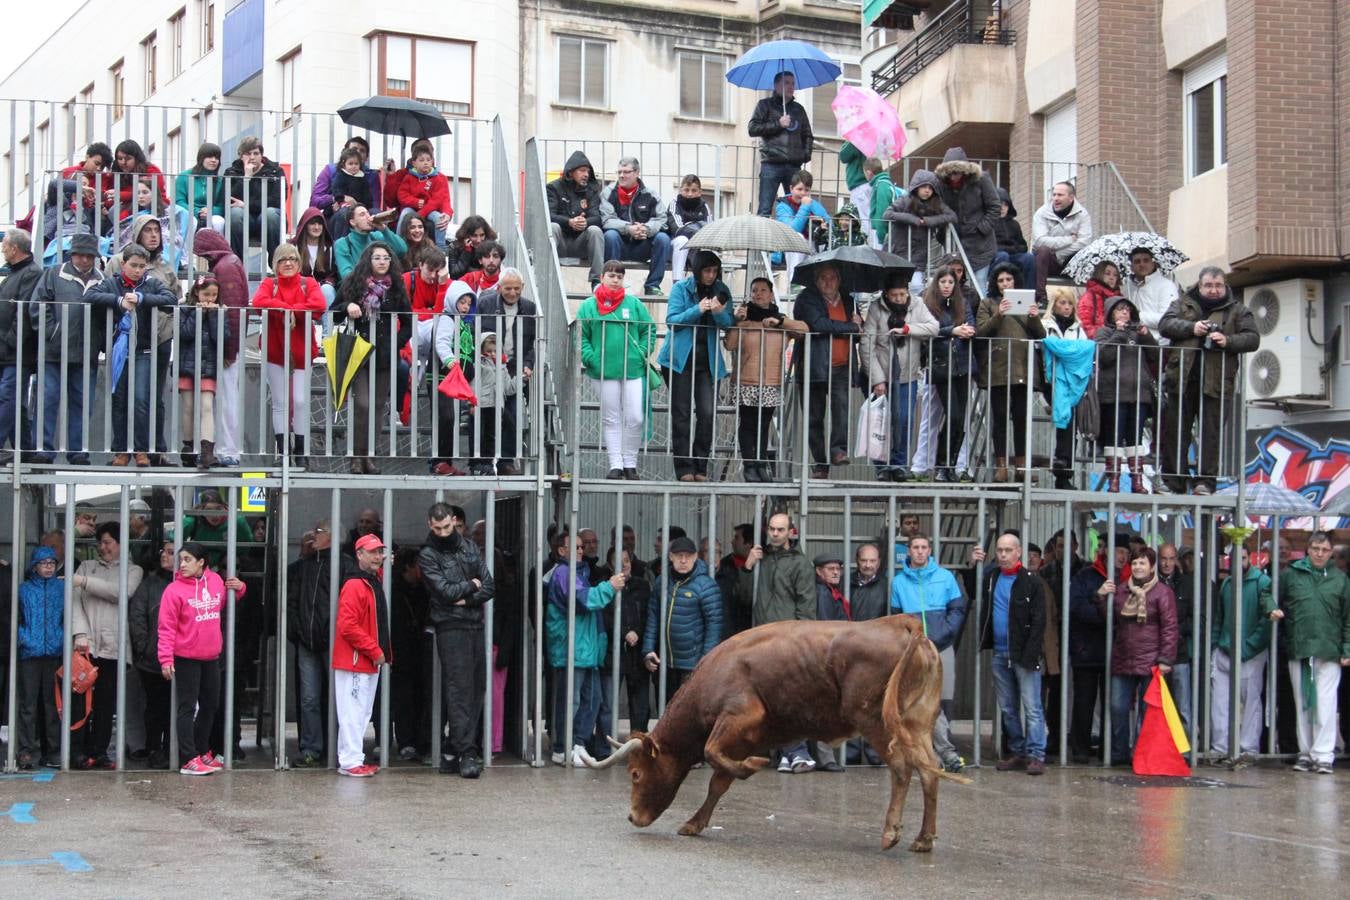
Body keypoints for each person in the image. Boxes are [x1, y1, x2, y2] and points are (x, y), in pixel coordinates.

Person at [1158, 267, 1260, 495]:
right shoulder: (1182, 303)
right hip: (1182, 379)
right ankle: (1173, 480)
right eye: (1209, 286)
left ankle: (1205, 482)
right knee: (1176, 431)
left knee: (1211, 434)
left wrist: (1227, 340)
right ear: (1200, 285)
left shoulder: (1238, 309)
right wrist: (1192, 328)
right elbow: (1165, 325)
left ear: (1225, 286)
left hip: (1217, 381)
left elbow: (1253, 339)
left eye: (1218, 286)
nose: (1214, 290)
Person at [419, 503, 494, 778]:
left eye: (446, 527)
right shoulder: (427, 555)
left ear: (453, 521)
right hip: (450, 626)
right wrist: (471, 586)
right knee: (460, 689)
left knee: (475, 688)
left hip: (473, 623)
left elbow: (489, 585)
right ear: (430, 525)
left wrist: (468, 596)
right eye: (437, 528)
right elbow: (445, 592)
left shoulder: (469, 547)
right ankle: (465, 752)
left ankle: (452, 750)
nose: (442, 532)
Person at [158, 541, 245, 775]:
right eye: (181, 560)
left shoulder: (215, 581)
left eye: (187, 560)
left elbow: (226, 601)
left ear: (201, 563)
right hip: (186, 656)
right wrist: (166, 659)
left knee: (210, 705)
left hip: (211, 656)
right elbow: (166, 628)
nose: (182, 564)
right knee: (187, 707)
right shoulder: (173, 591)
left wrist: (240, 588)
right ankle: (188, 758)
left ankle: (201, 750)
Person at [1265, 531, 1348, 774]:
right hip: (1299, 647)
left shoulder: (1340, 580)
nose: (1319, 554)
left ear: (1331, 552)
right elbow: (1268, 593)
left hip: (1329, 649)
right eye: (1315, 549)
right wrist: (1272, 608)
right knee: (1302, 703)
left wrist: (1346, 649)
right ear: (1308, 550)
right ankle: (1305, 752)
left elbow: (1348, 618)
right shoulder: (1291, 574)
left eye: (1324, 550)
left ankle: (1323, 754)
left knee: (1325, 702)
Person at [90, 243, 177, 467]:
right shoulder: (111, 283)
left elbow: (171, 299)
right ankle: (121, 450)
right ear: (123, 264)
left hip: (144, 349)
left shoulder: (151, 283)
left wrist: (142, 299)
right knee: (119, 399)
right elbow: (90, 296)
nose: (138, 270)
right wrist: (118, 301)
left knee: (140, 399)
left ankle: (141, 450)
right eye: (134, 265)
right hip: (119, 350)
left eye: (142, 266)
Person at [332, 242, 413, 474]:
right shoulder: (354, 283)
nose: (381, 262)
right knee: (362, 403)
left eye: (386, 258)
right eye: (377, 258)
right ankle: (356, 457)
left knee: (377, 406)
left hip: (385, 354)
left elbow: (408, 322)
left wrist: (394, 342)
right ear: (369, 259)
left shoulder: (396, 287)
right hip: (358, 350)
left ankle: (369, 456)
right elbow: (334, 310)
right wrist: (348, 306)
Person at [744, 512, 816, 772]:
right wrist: (749, 566)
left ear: (790, 532)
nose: (775, 534)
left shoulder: (800, 563)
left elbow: (806, 607)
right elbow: (742, 597)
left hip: (787, 643)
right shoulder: (761, 559)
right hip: (763, 640)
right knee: (770, 699)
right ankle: (787, 753)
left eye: (780, 530)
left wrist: (800, 643)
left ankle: (798, 752)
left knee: (789, 699)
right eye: (772, 529)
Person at [545, 531, 624, 766]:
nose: (581, 550)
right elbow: (582, 600)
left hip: (583, 649)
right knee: (573, 701)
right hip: (573, 648)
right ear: (561, 550)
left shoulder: (576, 572)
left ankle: (576, 745)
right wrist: (609, 587)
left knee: (591, 699)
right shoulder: (563, 573)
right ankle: (565, 746)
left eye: (581, 547)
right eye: (576, 546)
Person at [892, 532, 968, 773]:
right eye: (915, 547)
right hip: (914, 651)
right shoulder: (898, 582)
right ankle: (941, 752)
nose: (920, 551)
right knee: (919, 701)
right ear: (909, 551)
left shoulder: (945, 578)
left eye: (924, 547)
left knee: (942, 700)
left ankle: (939, 750)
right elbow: (897, 618)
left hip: (942, 647)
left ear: (930, 550)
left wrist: (942, 635)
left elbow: (957, 611)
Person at [71, 523, 144, 768]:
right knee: (81, 702)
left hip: (115, 647)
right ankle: (78, 752)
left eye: (108, 543)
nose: (103, 548)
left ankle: (99, 751)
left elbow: (121, 593)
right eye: (100, 543)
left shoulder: (133, 570)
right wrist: (80, 633)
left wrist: (84, 582)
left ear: (121, 544)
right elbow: (73, 603)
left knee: (105, 703)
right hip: (86, 646)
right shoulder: (87, 566)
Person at [658, 250, 734, 482]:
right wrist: (698, 309)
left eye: (714, 271)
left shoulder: (722, 291)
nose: (711, 276)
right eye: (707, 271)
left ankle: (701, 466)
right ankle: (684, 468)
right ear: (697, 270)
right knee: (681, 414)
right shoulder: (682, 288)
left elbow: (729, 323)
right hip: (679, 362)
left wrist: (720, 313)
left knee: (707, 413)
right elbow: (672, 321)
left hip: (707, 364)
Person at [28, 233, 102, 465]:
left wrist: (99, 341)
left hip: (86, 353)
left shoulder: (102, 279)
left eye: (89, 256)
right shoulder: (53, 273)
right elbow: (37, 305)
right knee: (47, 399)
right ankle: (43, 449)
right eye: (80, 255)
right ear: (72, 255)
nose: (84, 260)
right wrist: (52, 333)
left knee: (82, 403)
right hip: (52, 352)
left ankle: (78, 451)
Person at [1099, 547, 1177, 766]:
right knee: (1117, 707)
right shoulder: (1122, 590)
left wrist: (1165, 659)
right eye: (1134, 563)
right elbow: (1109, 620)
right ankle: (1119, 753)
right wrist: (1101, 597)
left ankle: (1143, 756)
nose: (1138, 567)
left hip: (1151, 661)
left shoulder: (1162, 592)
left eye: (1142, 563)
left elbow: (1170, 627)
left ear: (1151, 566)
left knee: (1148, 712)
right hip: (1123, 658)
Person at [578, 261, 655, 480]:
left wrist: (641, 352)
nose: (615, 280)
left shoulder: (634, 304)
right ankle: (616, 464)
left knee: (635, 417)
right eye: (611, 275)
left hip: (633, 368)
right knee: (612, 418)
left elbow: (647, 330)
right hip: (603, 370)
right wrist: (592, 358)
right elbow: (581, 336)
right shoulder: (588, 306)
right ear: (601, 277)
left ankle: (630, 462)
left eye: (619, 276)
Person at [725, 277, 806, 482]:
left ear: (771, 294)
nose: (758, 294)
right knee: (748, 423)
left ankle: (761, 464)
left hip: (771, 381)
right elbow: (729, 344)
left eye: (762, 290)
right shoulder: (745, 319)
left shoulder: (778, 319)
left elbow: (804, 330)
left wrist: (781, 322)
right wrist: (736, 322)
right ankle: (749, 465)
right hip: (746, 380)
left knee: (764, 423)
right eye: (754, 290)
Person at [252, 244, 326, 468]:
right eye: (283, 259)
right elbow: (258, 302)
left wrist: (290, 311)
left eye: (293, 259)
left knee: (301, 402)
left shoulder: (308, 283)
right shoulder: (269, 284)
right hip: (276, 351)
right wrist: (287, 308)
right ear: (275, 264)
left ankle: (301, 453)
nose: (288, 263)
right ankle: (284, 451)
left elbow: (320, 305)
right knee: (280, 403)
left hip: (302, 352)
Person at [980, 532, 1047, 775]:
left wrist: (1030, 656)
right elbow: (971, 585)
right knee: (1008, 708)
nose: (1003, 555)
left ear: (1019, 552)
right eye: (999, 550)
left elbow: (1040, 621)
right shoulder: (992, 577)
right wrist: (974, 563)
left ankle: (1036, 755)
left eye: (1008, 550)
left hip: (1023, 655)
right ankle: (1018, 752)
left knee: (1032, 707)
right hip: (999, 653)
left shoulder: (1031, 581)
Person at [860, 273, 939, 482]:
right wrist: (877, 379)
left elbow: (933, 327)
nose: (899, 299)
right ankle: (881, 466)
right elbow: (868, 344)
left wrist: (908, 329)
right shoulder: (877, 309)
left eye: (902, 294)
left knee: (904, 420)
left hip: (907, 374)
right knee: (880, 421)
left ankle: (899, 463)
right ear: (886, 294)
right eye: (894, 295)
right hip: (882, 373)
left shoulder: (918, 304)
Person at [976, 263, 1044, 482]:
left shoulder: (1026, 302)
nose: (1005, 284)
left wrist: (1034, 315)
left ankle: (1022, 466)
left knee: (1021, 419)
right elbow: (981, 330)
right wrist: (999, 313)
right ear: (995, 284)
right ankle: (1001, 466)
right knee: (1000, 419)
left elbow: (1040, 334)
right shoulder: (987, 303)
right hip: (998, 369)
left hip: (1023, 367)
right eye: (1001, 280)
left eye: (1009, 279)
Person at [794, 262, 862, 479]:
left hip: (841, 366)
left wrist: (859, 325)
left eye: (832, 277)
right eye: (823, 277)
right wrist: (851, 327)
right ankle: (820, 463)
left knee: (841, 411)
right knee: (814, 418)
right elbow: (819, 324)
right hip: (813, 366)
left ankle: (838, 451)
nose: (828, 282)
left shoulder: (849, 300)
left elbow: (859, 330)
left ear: (839, 280)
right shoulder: (806, 299)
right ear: (816, 280)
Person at [332, 534, 391, 777]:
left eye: (380, 552)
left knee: (359, 711)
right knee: (353, 712)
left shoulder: (368, 581)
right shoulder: (357, 585)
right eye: (372, 552)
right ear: (359, 555)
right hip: (358, 660)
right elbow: (347, 626)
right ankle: (350, 761)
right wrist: (375, 650)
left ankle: (352, 759)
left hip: (364, 660)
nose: (378, 556)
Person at [1209, 547, 1271, 767]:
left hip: (1251, 654)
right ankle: (1220, 749)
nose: (1238, 562)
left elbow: (1266, 622)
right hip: (1225, 651)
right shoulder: (1226, 584)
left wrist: (1247, 648)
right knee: (1219, 704)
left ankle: (1247, 750)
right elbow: (1220, 617)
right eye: (1234, 558)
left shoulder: (1262, 582)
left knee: (1251, 702)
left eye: (1242, 558)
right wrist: (1215, 647)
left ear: (1250, 559)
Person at [192, 229, 249, 466]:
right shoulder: (231, 262)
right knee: (226, 398)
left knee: (226, 399)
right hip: (226, 345)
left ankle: (229, 450)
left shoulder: (224, 268)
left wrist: (229, 350)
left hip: (225, 347)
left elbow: (233, 314)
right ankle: (228, 449)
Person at [914, 266, 976, 483]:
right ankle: (941, 464)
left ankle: (949, 465)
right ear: (936, 283)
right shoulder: (928, 304)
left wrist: (966, 330)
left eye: (951, 282)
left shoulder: (962, 303)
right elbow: (927, 329)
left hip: (962, 365)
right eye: (943, 282)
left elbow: (970, 323)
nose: (947, 286)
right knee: (953, 415)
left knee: (959, 420)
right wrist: (952, 331)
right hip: (941, 366)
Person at [287, 520, 341, 767]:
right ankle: (311, 748)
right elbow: (292, 602)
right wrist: (298, 633)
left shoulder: (343, 564)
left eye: (318, 532)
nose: (313, 537)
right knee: (309, 698)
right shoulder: (303, 567)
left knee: (337, 697)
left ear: (331, 536)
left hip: (333, 641)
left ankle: (336, 748)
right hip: (307, 642)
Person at [643, 535, 723, 701]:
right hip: (665, 661)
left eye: (688, 556)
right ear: (671, 557)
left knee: (689, 712)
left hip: (693, 664)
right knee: (666, 710)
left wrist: (706, 660)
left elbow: (714, 625)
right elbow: (653, 615)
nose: (684, 560)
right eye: (679, 556)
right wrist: (648, 649)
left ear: (695, 557)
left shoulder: (706, 585)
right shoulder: (662, 582)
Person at [1094, 296, 1158, 493]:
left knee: (1135, 440)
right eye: (1119, 309)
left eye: (1127, 310)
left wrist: (1147, 336)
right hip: (1113, 395)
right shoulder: (1104, 332)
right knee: (1113, 438)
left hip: (1139, 394)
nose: (1124, 312)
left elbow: (1155, 356)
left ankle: (1136, 480)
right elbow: (1104, 356)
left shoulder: (1138, 334)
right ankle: (1114, 480)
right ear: (1111, 313)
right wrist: (1119, 334)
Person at [476, 267, 536, 473]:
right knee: (486, 417)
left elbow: (531, 345)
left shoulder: (529, 307)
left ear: (523, 288)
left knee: (513, 413)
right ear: (499, 287)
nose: (512, 293)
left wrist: (528, 365)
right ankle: (482, 462)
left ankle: (506, 461)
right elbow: (477, 334)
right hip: (488, 367)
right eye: (508, 288)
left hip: (513, 367)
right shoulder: (485, 303)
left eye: (517, 289)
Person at [15, 546, 64, 770]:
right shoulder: (23, 590)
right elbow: (15, 618)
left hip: (53, 652)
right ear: (34, 566)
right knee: (28, 705)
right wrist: (24, 638)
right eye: (44, 563)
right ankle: (26, 751)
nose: (48, 567)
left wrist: (61, 638)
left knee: (52, 704)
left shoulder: (61, 589)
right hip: (30, 653)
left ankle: (52, 751)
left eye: (52, 563)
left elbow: (67, 617)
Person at [177, 275, 230, 470]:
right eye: (206, 294)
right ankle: (189, 447)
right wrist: (197, 315)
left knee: (207, 406)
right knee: (189, 406)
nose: (210, 299)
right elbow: (184, 333)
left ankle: (207, 451)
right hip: (187, 364)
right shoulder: (185, 309)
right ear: (196, 293)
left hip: (208, 366)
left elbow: (222, 338)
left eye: (214, 295)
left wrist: (214, 315)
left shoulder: (220, 312)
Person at [600, 158, 671, 297]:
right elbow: (607, 220)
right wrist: (628, 228)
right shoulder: (608, 193)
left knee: (663, 238)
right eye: (619, 172)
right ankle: (613, 284)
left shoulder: (650, 194)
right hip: (619, 245)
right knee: (610, 235)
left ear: (637, 172)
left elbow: (662, 219)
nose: (621, 175)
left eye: (626, 172)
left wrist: (646, 228)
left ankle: (652, 285)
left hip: (642, 245)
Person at [933, 147, 1000, 289]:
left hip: (981, 244)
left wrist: (981, 228)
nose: (953, 176)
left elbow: (994, 207)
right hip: (954, 243)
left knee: (979, 281)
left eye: (957, 172)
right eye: (950, 173)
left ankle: (979, 311)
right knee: (953, 282)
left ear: (965, 171)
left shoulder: (981, 179)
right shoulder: (940, 185)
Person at [748, 71, 814, 217]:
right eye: (786, 83)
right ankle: (761, 238)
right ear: (776, 85)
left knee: (796, 207)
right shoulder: (764, 105)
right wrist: (778, 124)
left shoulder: (799, 109)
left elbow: (807, 135)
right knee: (765, 208)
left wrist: (805, 155)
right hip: (771, 162)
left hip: (793, 165)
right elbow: (752, 129)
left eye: (792, 83)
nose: (791, 86)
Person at [0, 229, 41, 458]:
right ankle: (24, 449)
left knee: (8, 396)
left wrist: (10, 342)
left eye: (4, 245)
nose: (3, 248)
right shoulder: (16, 273)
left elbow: (24, 311)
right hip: (7, 350)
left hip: (16, 352)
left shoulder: (31, 273)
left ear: (14, 249)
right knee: (13, 400)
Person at [1041, 290, 1087, 489]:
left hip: (1070, 381)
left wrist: (1060, 350)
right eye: (1062, 302)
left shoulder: (1078, 329)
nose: (1067, 307)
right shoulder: (1046, 326)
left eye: (1070, 303)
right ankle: (1062, 466)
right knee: (1064, 419)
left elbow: (1083, 353)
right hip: (1049, 379)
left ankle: (1064, 471)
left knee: (1070, 423)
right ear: (1055, 304)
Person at [883, 170, 955, 290]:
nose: (927, 190)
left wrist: (928, 221)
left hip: (919, 254)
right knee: (894, 287)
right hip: (898, 249)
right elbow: (887, 214)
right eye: (924, 187)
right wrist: (912, 219)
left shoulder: (936, 203)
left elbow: (951, 216)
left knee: (916, 287)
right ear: (916, 187)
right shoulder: (905, 199)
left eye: (931, 188)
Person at [547, 151, 605, 289]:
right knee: (552, 226)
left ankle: (597, 281)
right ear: (571, 172)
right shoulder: (553, 188)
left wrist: (585, 223)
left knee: (595, 230)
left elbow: (598, 217)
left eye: (588, 171)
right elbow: (548, 214)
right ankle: (549, 277)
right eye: (582, 170)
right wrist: (569, 222)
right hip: (560, 241)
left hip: (581, 243)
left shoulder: (592, 190)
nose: (586, 174)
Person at [222, 137, 286, 261]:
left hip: (268, 220)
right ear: (241, 156)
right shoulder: (232, 172)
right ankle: (236, 264)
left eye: (256, 153)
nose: (252, 157)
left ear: (261, 155)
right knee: (235, 213)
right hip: (244, 221)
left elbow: (277, 200)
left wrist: (246, 205)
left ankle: (277, 263)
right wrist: (246, 178)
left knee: (270, 213)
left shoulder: (275, 171)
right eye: (248, 154)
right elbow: (228, 200)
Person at [1031, 182, 1093, 305]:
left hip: (1072, 261)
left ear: (1071, 197)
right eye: (1054, 194)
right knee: (1043, 250)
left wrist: (1058, 253)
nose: (1055, 198)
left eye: (1060, 195)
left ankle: (1090, 303)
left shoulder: (1082, 214)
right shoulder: (1041, 213)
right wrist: (1069, 240)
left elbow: (1084, 242)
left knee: (1094, 256)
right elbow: (1039, 240)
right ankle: (1041, 298)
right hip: (1048, 261)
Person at [309, 136, 383, 238]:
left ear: (366, 158)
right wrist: (336, 199)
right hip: (337, 213)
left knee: (376, 214)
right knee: (344, 213)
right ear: (344, 153)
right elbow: (314, 201)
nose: (357, 153)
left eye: (362, 151)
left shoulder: (371, 175)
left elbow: (374, 203)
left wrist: (361, 210)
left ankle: (376, 251)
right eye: (353, 149)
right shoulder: (330, 170)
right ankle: (341, 251)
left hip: (363, 211)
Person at [1156, 543, 1196, 731]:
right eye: (1163, 558)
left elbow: (1194, 617)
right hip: (1154, 653)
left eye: (1171, 559)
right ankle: (1155, 753)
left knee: (1182, 707)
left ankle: (1185, 754)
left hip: (1179, 652)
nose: (1167, 563)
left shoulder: (1187, 584)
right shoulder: (1151, 582)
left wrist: (1175, 632)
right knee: (1155, 706)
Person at [470, 331, 516, 475]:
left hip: (496, 405)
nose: (492, 354)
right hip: (481, 404)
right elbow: (472, 383)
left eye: (495, 351)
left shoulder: (502, 366)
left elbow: (508, 388)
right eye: (489, 351)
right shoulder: (479, 363)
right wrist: (471, 403)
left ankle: (488, 463)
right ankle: (476, 463)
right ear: (482, 351)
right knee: (479, 434)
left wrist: (522, 379)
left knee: (491, 435)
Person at [47, 141, 112, 239]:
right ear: (87, 157)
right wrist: (79, 188)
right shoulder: (68, 172)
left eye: (102, 167)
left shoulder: (103, 178)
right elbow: (54, 185)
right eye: (97, 163)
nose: (98, 168)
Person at [774, 170, 830, 285]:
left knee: (826, 238)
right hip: (789, 249)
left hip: (812, 244)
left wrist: (825, 226)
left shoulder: (813, 203)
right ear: (791, 188)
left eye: (806, 190)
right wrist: (804, 207)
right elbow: (793, 230)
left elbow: (829, 221)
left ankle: (821, 283)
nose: (803, 193)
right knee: (797, 237)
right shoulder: (782, 206)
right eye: (799, 189)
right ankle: (795, 282)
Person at [396, 145, 453, 247]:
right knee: (404, 214)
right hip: (412, 208)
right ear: (414, 163)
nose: (425, 163)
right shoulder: (409, 177)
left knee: (440, 219)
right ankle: (398, 243)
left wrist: (422, 213)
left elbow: (437, 200)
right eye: (421, 160)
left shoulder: (437, 178)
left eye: (428, 160)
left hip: (430, 209)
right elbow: (402, 195)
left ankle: (441, 247)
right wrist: (415, 202)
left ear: (432, 162)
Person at [334, 206, 408, 279]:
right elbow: (346, 274)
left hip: (382, 286)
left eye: (368, 213)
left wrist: (384, 229)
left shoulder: (377, 236)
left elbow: (402, 250)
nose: (368, 217)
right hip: (355, 288)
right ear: (352, 222)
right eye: (362, 215)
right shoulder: (342, 243)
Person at [105, 140, 170, 224]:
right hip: (131, 206)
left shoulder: (151, 170)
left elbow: (153, 193)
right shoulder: (118, 173)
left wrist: (122, 195)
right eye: (120, 159)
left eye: (128, 158)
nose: (123, 162)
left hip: (154, 205)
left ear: (137, 158)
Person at [1123, 247, 1179, 340]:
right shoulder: (1128, 288)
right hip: (1133, 343)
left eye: (1146, 260)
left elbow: (1168, 320)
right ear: (1131, 267)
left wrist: (1137, 315)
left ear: (1153, 263)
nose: (1142, 264)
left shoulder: (1166, 286)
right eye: (1137, 261)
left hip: (1159, 344)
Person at [665, 173, 712, 282]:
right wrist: (698, 230)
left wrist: (697, 231)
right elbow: (678, 229)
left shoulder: (704, 206)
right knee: (682, 240)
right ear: (681, 190)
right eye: (686, 190)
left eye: (694, 190)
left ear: (700, 192)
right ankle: (678, 283)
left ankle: (708, 285)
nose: (690, 194)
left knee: (710, 248)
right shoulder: (674, 204)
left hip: (697, 247)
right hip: (674, 247)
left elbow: (710, 231)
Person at [174, 142, 226, 236]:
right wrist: (197, 212)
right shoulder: (184, 176)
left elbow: (223, 205)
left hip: (212, 215)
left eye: (217, 158)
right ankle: (188, 250)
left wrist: (211, 211)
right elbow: (179, 201)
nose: (214, 160)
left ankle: (218, 249)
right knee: (191, 221)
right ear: (201, 158)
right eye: (210, 157)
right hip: (189, 213)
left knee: (219, 221)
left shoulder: (220, 180)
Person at [292, 207, 340, 306]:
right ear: (305, 225)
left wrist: (325, 283)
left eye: (320, 223)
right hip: (299, 286)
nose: (317, 227)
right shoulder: (293, 246)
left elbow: (334, 274)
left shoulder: (331, 247)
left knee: (327, 290)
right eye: (312, 223)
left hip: (323, 288)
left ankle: (327, 322)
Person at [991, 188, 1034, 292]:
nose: (1002, 208)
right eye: (999, 204)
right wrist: (1009, 249)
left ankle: (1029, 293)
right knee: (1003, 255)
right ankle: (999, 292)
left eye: (1005, 205)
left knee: (1029, 258)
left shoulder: (1014, 224)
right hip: (995, 256)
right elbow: (989, 245)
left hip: (1013, 255)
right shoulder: (990, 222)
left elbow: (1023, 246)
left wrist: (1014, 249)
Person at [1076, 260, 1123, 339]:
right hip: (1097, 343)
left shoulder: (1121, 299)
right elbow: (1085, 325)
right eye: (1107, 273)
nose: (1112, 278)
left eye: (1115, 275)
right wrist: (1105, 335)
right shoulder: (1089, 297)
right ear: (1099, 274)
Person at [813, 553, 850, 621]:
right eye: (831, 569)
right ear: (818, 571)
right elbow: (825, 625)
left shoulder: (830, 589)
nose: (836, 572)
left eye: (838, 569)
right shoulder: (823, 592)